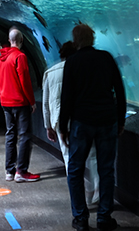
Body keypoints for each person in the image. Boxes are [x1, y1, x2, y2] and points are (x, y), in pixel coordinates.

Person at [59, 23, 126, 231]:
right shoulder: (106, 58)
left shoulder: (72, 61)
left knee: (76, 169)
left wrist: (63, 126)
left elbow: (67, 97)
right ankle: (104, 218)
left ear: (76, 41)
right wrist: (121, 120)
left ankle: (80, 219)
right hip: (107, 121)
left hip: (81, 122)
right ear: (93, 38)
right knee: (106, 170)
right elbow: (120, 91)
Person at [42, 41, 99, 207]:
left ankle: (80, 193)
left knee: (69, 159)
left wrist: (48, 126)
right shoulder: (82, 69)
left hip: (60, 121)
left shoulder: (50, 73)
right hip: (81, 119)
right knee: (92, 154)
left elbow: (45, 104)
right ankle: (97, 189)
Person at [0, 27, 40, 183]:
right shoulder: (20, 57)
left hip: (5, 101)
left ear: (10, 40)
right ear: (22, 40)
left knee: (10, 135)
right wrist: (32, 101)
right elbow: (25, 82)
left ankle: (9, 171)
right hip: (19, 102)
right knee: (24, 135)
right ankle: (21, 171)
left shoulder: (1, 58)